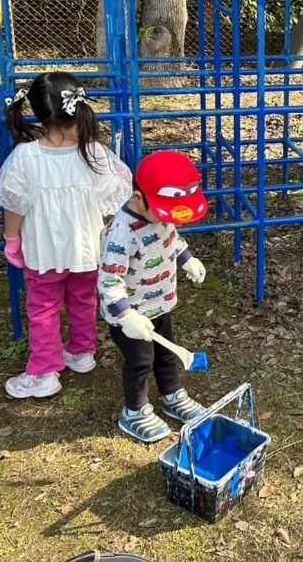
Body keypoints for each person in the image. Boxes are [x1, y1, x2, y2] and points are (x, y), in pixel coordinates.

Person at [0, 72, 132, 398]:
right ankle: (82, 353)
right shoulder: (94, 152)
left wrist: (12, 240)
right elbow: (117, 187)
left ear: (38, 112)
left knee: (43, 309)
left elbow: (14, 203)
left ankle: (44, 371)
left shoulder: (26, 157)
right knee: (83, 300)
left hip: (44, 252)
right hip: (86, 249)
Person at [98, 150, 209, 443]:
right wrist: (126, 315)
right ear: (137, 198)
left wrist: (187, 259)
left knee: (167, 351)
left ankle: (172, 395)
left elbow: (172, 238)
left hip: (159, 301)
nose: (166, 218)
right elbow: (109, 278)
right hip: (130, 314)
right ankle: (134, 410)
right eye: (162, 212)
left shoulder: (160, 212)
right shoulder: (122, 232)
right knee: (141, 360)